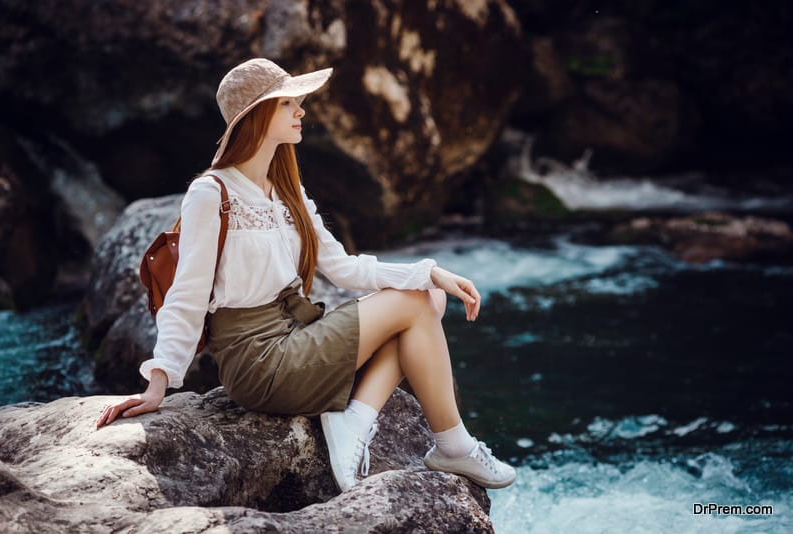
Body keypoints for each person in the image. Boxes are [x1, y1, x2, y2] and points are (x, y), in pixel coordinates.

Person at [96, 58, 516, 492]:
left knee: (429, 295)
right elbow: (187, 294)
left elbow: (344, 267)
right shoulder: (211, 193)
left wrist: (431, 272)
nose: (301, 112)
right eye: (289, 105)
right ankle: (454, 447)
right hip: (258, 360)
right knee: (414, 300)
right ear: (257, 116)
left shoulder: (287, 191)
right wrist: (157, 383)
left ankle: (356, 420)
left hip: (297, 332)